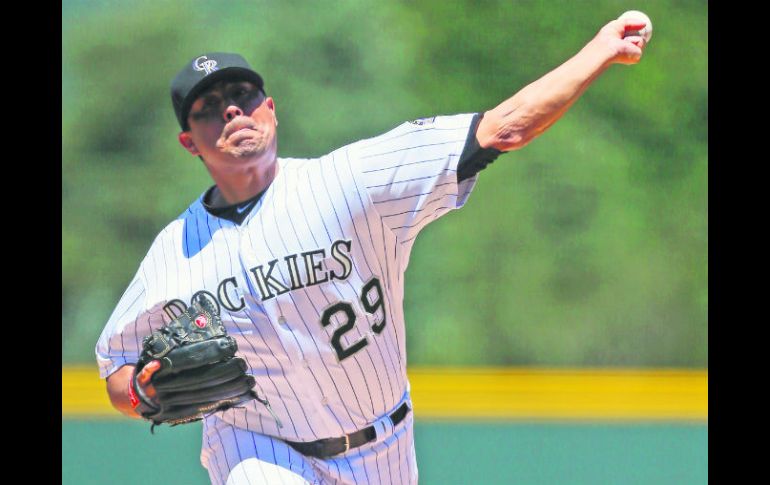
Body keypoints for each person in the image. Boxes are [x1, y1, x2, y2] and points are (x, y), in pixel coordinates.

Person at [96, 15, 649, 485]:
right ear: (189, 141)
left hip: (385, 445)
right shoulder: (176, 252)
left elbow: (504, 126)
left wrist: (600, 50)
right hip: (257, 447)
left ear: (270, 108)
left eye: (242, 96)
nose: (232, 111)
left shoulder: (351, 181)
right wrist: (142, 393)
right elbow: (117, 369)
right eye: (209, 107)